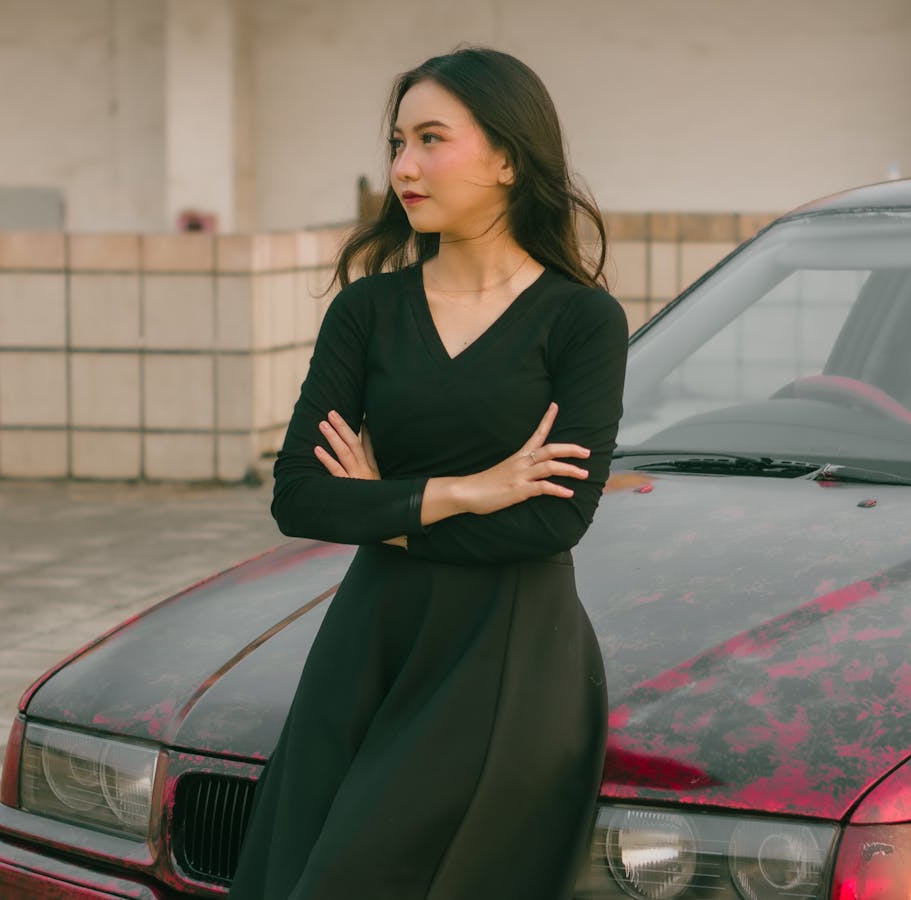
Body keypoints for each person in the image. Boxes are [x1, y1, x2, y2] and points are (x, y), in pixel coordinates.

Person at [226, 46, 628, 899]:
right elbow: (299, 496)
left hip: (506, 652)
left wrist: (382, 506)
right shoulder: (367, 311)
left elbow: (554, 521)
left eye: (432, 139)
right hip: (369, 638)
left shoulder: (581, 320)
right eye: (397, 142)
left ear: (511, 157)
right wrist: (468, 490)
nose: (404, 168)